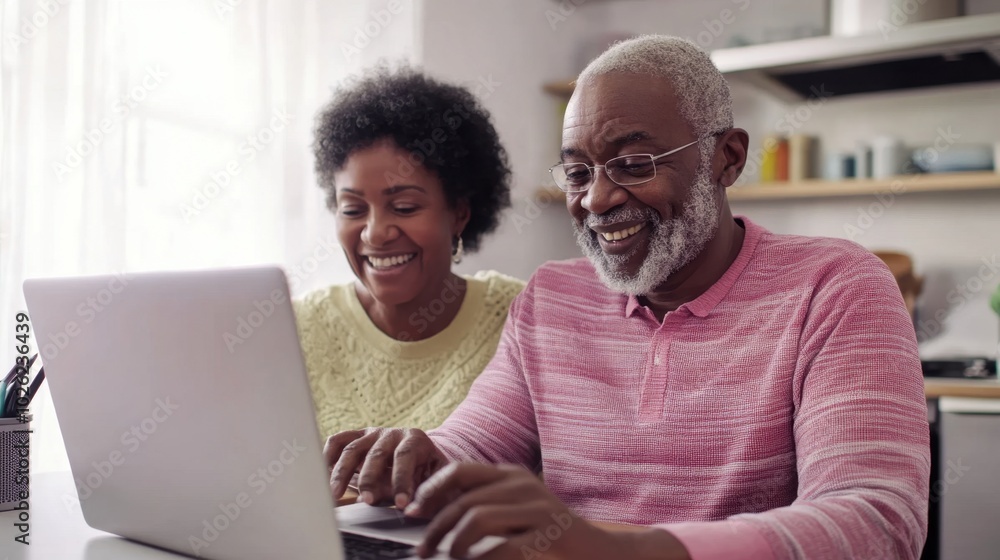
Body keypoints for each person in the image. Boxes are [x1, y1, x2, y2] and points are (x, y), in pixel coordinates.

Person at [325, 36, 930, 560]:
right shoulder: (551, 298)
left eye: (634, 163)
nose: (596, 200)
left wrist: (625, 551)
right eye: (579, 172)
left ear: (727, 158)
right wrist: (418, 457)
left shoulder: (836, 286)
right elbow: (477, 441)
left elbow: (877, 523)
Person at [294, 65, 525, 438]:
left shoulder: (517, 318)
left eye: (404, 207)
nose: (375, 233)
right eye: (352, 210)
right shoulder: (298, 329)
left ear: (459, 213)